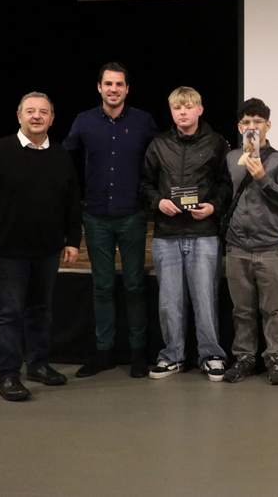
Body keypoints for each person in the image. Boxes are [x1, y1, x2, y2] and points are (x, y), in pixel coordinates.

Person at [0, 92, 82, 401]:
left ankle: (38, 364)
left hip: (47, 251)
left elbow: (72, 202)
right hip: (6, 252)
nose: (36, 116)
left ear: (52, 119)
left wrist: (72, 241)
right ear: (19, 116)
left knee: (40, 311)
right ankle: (8, 374)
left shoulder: (61, 156)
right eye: (30, 111)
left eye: (43, 112)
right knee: (8, 313)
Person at [63, 62, 159, 379]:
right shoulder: (84, 121)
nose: (113, 89)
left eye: (119, 84)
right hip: (95, 217)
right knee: (102, 286)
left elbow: (163, 157)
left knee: (134, 286)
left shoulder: (143, 122)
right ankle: (103, 352)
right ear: (99, 87)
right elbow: (64, 159)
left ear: (127, 89)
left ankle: (137, 353)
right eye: (108, 84)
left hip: (132, 215)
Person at [139, 87, 233, 382]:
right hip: (166, 234)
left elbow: (226, 184)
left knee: (205, 299)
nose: (183, 112)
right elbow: (145, 184)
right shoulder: (158, 144)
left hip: (204, 233)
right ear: (171, 111)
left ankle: (212, 355)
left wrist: (213, 207)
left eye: (188, 107)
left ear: (200, 110)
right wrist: (158, 202)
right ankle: (172, 356)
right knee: (169, 301)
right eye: (177, 108)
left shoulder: (216, 143)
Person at [221, 98, 278, 386]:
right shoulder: (231, 158)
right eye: (246, 122)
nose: (252, 126)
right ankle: (244, 357)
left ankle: (275, 357)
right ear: (240, 127)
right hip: (238, 246)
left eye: (257, 121)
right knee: (241, 310)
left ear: (268, 125)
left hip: (270, 248)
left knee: (273, 309)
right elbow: (225, 196)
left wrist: (263, 177)